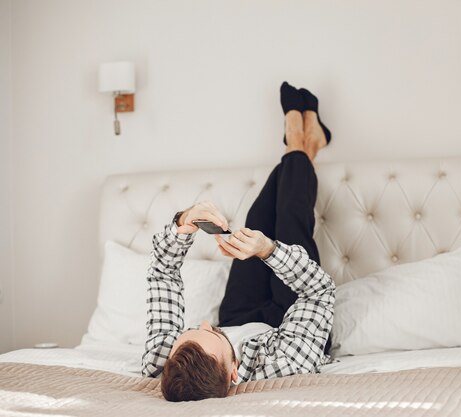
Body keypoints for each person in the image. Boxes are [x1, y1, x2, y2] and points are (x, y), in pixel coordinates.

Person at [141, 82, 335, 402]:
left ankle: (303, 144)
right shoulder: (285, 361)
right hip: (287, 323)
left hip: (239, 314)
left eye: (192, 330)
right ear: (234, 373)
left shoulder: (165, 361)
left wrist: (183, 222)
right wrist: (269, 251)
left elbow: (162, 277)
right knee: (290, 216)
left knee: (259, 214)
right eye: (210, 333)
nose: (205, 321)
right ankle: (301, 140)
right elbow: (319, 292)